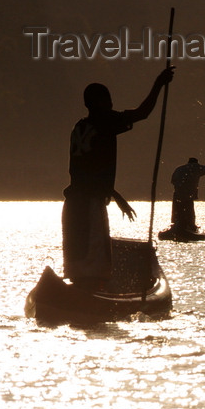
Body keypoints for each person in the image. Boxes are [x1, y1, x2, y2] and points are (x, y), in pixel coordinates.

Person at [62, 66, 174, 289]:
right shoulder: (104, 122)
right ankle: (89, 301)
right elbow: (142, 113)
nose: (112, 103)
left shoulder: (80, 127)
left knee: (79, 257)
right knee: (93, 262)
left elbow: (87, 172)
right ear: (99, 102)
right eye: (108, 99)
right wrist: (159, 84)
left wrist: (116, 196)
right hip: (90, 204)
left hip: (73, 204)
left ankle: (79, 295)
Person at [170, 151, 205, 232]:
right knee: (189, 212)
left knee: (178, 212)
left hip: (177, 195)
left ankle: (178, 224)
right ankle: (189, 225)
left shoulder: (179, 169)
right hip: (188, 195)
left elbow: (173, 181)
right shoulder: (196, 167)